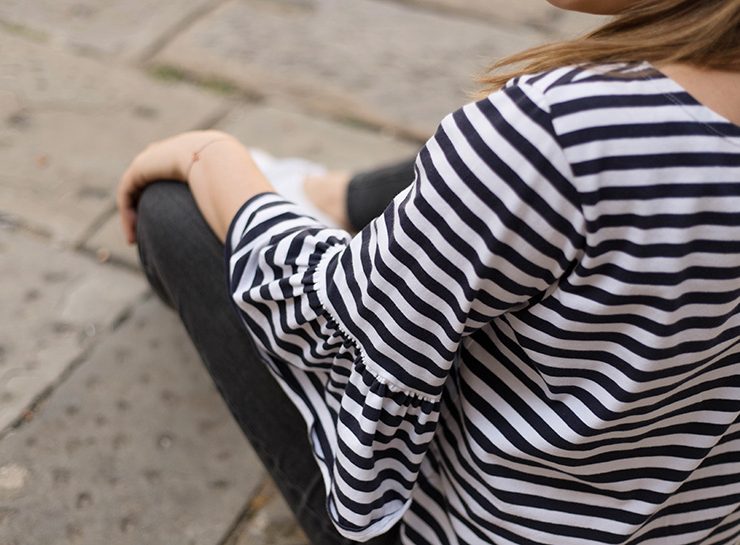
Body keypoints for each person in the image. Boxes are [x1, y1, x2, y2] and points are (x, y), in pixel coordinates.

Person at [116, 0, 740, 543]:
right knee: (481, 178)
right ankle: (331, 197)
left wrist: (211, 157)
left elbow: (335, 328)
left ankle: (313, 205)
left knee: (174, 211)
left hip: (457, 527)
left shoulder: (556, 129)